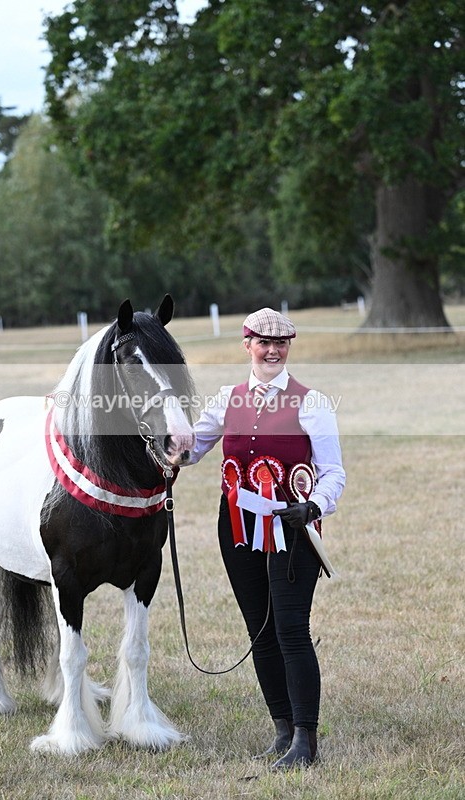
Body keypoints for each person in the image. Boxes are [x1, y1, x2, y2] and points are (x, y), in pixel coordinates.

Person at [186, 307, 345, 769]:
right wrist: (164, 442)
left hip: (293, 526)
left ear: (288, 347)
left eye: (281, 344)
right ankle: (281, 728)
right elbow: (191, 448)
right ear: (247, 345)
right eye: (263, 343)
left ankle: (305, 738)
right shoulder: (226, 398)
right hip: (236, 527)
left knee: (291, 627)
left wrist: (313, 505)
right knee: (260, 629)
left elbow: (333, 472)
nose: (272, 350)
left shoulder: (311, 402)